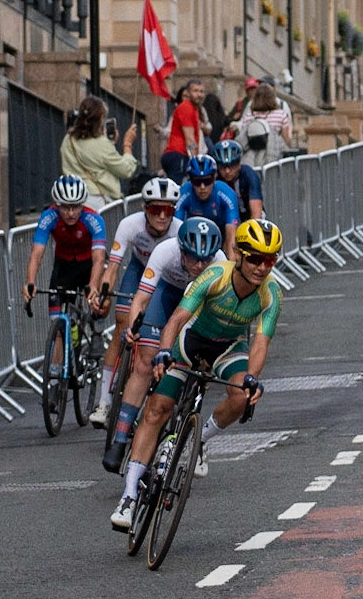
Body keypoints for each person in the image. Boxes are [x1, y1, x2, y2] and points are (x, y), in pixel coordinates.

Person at [110, 219, 282, 530]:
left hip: (229, 347)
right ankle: (129, 495)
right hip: (190, 341)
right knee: (157, 410)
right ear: (239, 255)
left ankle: (198, 441)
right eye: (255, 258)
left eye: (269, 260)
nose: (261, 267)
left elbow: (261, 341)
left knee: (242, 395)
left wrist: (252, 378)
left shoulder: (272, 293)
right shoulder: (216, 275)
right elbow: (177, 319)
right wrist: (163, 351)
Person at [100, 215, 221, 473]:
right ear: (181, 251)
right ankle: (120, 440)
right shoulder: (165, 251)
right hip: (167, 295)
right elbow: (141, 299)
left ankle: (189, 433)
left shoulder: (220, 263)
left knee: (196, 365)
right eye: (193, 258)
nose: (200, 265)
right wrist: (133, 328)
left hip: (198, 307)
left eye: (205, 259)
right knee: (144, 363)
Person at [91, 176, 182, 426]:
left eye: (169, 210)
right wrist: (104, 293)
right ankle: (104, 402)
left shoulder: (179, 230)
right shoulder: (130, 225)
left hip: (165, 282)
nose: (162, 216)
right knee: (122, 324)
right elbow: (113, 266)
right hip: (138, 270)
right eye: (156, 209)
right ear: (145, 209)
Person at [21, 176, 109, 395]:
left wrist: (93, 286)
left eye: (75, 207)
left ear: (83, 204)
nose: (70, 213)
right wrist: (30, 282)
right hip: (63, 269)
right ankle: (53, 383)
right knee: (59, 327)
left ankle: (96, 329)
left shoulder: (93, 219)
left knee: (97, 298)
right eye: (65, 207)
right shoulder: (48, 217)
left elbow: (99, 259)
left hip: (89, 266)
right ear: (56, 205)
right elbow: (36, 253)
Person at [59, 96, 141, 201]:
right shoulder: (101, 144)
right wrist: (127, 144)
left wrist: (109, 144)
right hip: (97, 200)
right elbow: (125, 170)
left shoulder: (68, 139)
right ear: (101, 119)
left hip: (73, 197)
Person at [174, 155, 243, 259]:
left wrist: (230, 266)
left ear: (214, 179)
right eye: (197, 182)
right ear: (190, 181)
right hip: (195, 232)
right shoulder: (184, 192)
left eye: (207, 181)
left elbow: (231, 236)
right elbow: (176, 230)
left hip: (222, 231)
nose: (202, 187)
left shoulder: (226, 193)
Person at [235, 78, 294, 166]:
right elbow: (287, 139)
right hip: (274, 158)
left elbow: (243, 135)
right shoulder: (281, 115)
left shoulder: (249, 115)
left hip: (251, 159)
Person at [162, 81, 206, 182]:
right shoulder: (186, 108)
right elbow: (189, 138)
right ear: (188, 93)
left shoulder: (193, 109)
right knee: (177, 191)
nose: (199, 94)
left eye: (202, 91)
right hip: (178, 155)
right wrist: (196, 163)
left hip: (178, 155)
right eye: (195, 91)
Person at [214, 139, 264, 220]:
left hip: (249, 213)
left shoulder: (249, 176)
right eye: (222, 167)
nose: (227, 171)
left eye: (231, 166)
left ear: (239, 163)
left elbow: (256, 213)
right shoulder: (215, 178)